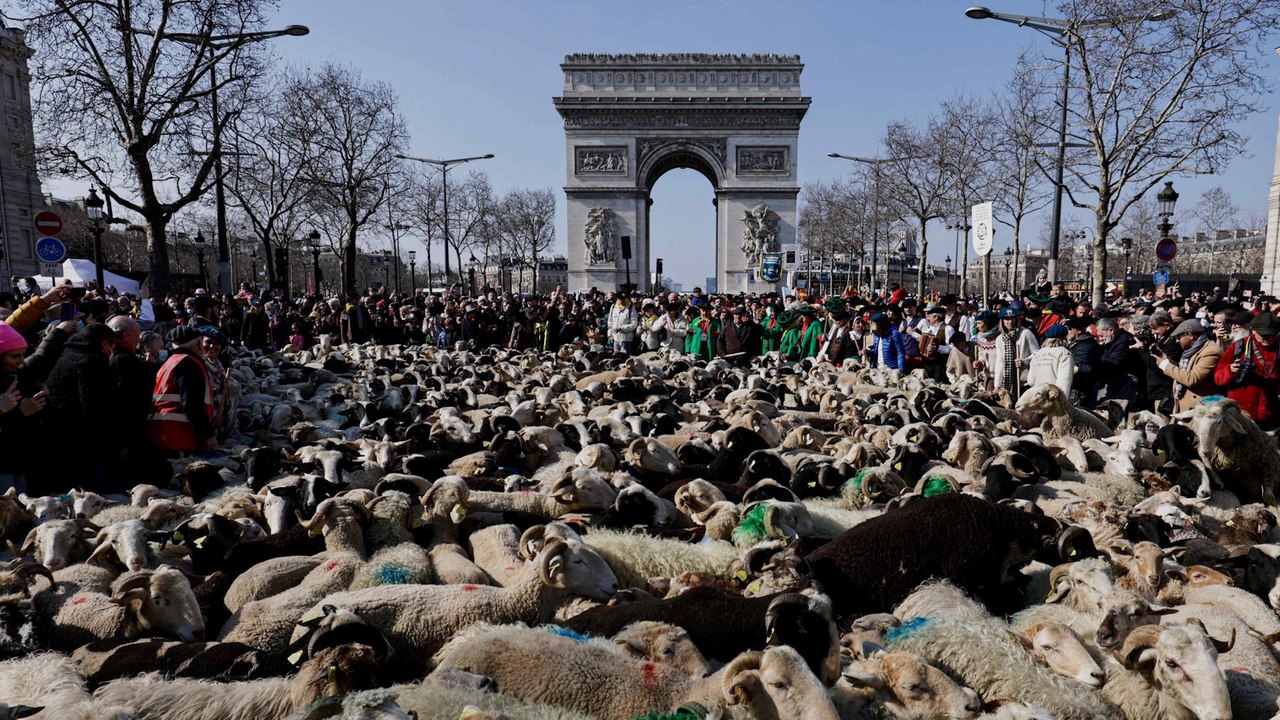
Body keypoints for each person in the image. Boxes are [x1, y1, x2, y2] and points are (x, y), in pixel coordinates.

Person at [41, 323, 120, 491]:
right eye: (112, 347)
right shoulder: (93, 360)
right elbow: (92, 404)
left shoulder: (66, 353)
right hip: (83, 437)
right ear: (105, 344)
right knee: (90, 492)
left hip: (56, 429)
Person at [149, 326, 217, 456]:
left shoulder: (169, 362)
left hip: (161, 434)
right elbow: (192, 404)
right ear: (197, 343)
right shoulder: (189, 363)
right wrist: (208, 435)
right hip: (180, 437)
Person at [0, 324, 47, 492]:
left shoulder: (18, 375)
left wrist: (37, 398)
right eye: (14, 356)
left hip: (18, 459)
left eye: (23, 355)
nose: (21, 361)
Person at [1213, 311, 1280, 428]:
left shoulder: (1278, 347)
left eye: (1272, 335)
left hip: (1270, 415)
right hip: (1240, 414)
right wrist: (1230, 370)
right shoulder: (1239, 346)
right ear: (1253, 330)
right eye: (1264, 335)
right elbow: (1218, 378)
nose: (1268, 338)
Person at [1155, 319, 1222, 413]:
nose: (1177, 341)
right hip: (1183, 406)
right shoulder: (1190, 351)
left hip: (1201, 409)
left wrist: (1165, 365)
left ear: (1190, 335)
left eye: (1179, 337)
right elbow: (1183, 371)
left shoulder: (1211, 351)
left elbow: (1192, 379)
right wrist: (1166, 359)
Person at [991, 306, 1040, 397]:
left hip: (1025, 381)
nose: (1010, 322)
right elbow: (999, 362)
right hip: (1008, 382)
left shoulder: (1026, 333)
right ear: (1002, 321)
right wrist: (997, 385)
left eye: (1012, 319)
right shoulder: (1000, 339)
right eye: (1007, 319)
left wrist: (1024, 361)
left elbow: (1037, 353)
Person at [1096, 317, 1143, 406]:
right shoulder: (1115, 340)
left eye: (1102, 335)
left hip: (1126, 382)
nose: (1101, 339)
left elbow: (1113, 363)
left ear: (1111, 330)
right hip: (1116, 382)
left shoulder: (1124, 340)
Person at [1024, 324, 1074, 395]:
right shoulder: (1064, 354)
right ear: (1065, 338)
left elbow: (1031, 381)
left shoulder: (1038, 354)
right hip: (1053, 398)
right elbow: (1064, 382)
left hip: (1037, 397)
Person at [1066, 316, 1102, 407]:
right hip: (1077, 386)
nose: (1068, 331)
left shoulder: (1085, 346)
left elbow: (1079, 364)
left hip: (1080, 388)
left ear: (1079, 330)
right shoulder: (1077, 342)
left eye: (1070, 329)